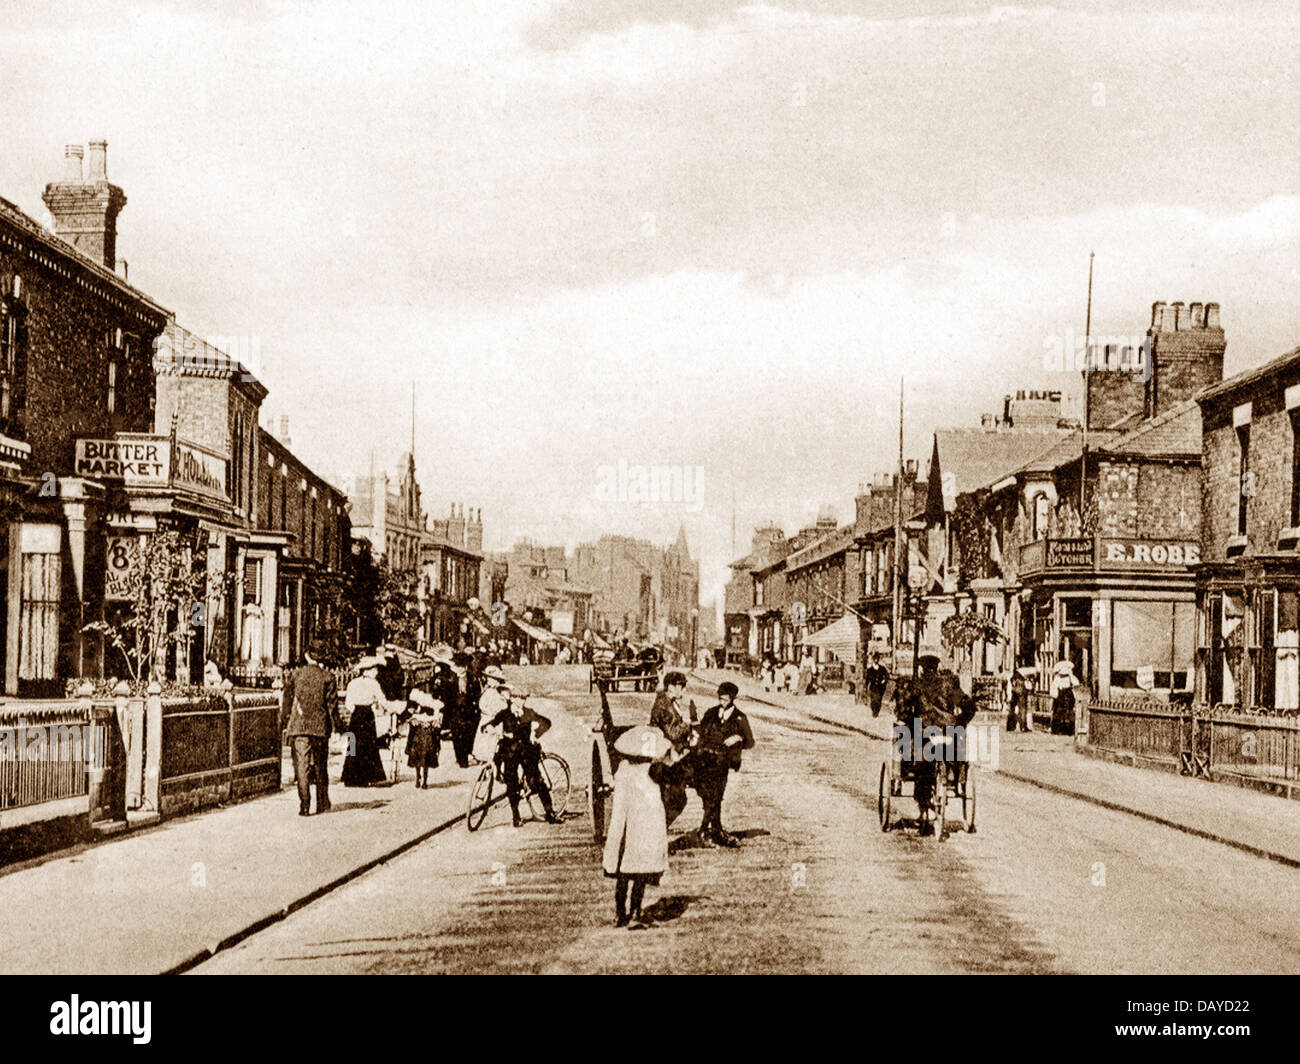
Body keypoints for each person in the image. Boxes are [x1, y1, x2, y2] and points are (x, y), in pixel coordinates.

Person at [604, 724, 673, 929]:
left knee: (624, 872)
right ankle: (634, 909)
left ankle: (621, 912)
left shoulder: (623, 770)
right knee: (641, 870)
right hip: (643, 829)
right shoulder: (653, 770)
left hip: (627, 828)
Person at [481, 687, 562, 827]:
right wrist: (488, 728)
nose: (523, 701)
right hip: (509, 753)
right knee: (511, 783)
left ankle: (550, 813)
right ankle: (516, 816)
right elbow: (490, 724)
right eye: (520, 698)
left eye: (524, 698)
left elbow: (546, 722)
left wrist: (535, 735)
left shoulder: (529, 713)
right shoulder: (504, 714)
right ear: (512, 698)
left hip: (526, 752)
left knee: (536, 780)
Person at [281, 642, 339, 816]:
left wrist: (285, 722)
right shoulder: (328, 677)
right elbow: (332, 707)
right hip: (320, 728)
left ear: (307, 655)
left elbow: (287, 701)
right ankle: (322, 802)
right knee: (321, 765)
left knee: (301, 766)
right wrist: (336, 727)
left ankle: (304, 805)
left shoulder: (295, 675)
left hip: (299, 727)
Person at [695, 681, 754, 846]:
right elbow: (701, 733)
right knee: (710, 796)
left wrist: (739, 738)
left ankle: (709, 829)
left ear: (732, 698)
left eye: (725, 698)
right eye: (720, 697)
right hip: (707, 760)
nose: (722, 700)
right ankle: (712, 829)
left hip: (724, 762)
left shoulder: (740, 717)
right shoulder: (711, 713)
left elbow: (750, 742)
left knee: (716, 796)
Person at [649, 671, 698, 828]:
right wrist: (690, 724)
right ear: (671, 687)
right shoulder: (663, 705)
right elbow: (673, 733)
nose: (683, 690)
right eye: (681, 687)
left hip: (671, 753)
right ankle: (658, 828)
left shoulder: (669, 701)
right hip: (664, 759)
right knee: (678, 799)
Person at [341, 656, 395, 787]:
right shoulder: (373, 683)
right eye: (374, 669)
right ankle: (365, 777)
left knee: (353, 744)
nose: (376, 672)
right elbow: (382, 701)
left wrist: (355, 710)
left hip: (356, 715)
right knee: (368, 745)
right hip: (367, 715)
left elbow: (348, 703)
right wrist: (393, 708)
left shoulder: (352, 683)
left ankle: (351, 777)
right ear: (368, 670)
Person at [405, 688, 444, 788]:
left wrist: (433, 724)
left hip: (427, 734)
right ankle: (419, 777)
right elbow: (410, 719)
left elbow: (437, 722)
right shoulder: (416, 707)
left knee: (426, 757)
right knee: (419, 757)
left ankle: (424, 780)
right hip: (420, 734)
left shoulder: (434, 706)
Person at [1050, 660, 1078, 735]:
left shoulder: (1070, 677)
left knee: (1069, 712)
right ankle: (1059, 729)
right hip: (1060, 696)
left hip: (1068, 695)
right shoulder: (1057, 677)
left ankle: (1069, 729)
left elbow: (1076, 683)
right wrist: (1055, 694)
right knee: (1059, 713)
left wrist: (1071, 675)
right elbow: (1054, 686)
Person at [864, 652, 889, 718]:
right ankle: (874, 711)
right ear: (873, 659)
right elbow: (867, 679)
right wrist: (866, 686)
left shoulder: (882, 668)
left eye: (877, 659)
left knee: (878, 700)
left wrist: (884, 680)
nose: (876, 660)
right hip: (873, 687)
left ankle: (876, 712)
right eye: (875, 659)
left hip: (880, 687)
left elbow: (887, 676)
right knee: (873, 700)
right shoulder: (870, 669)